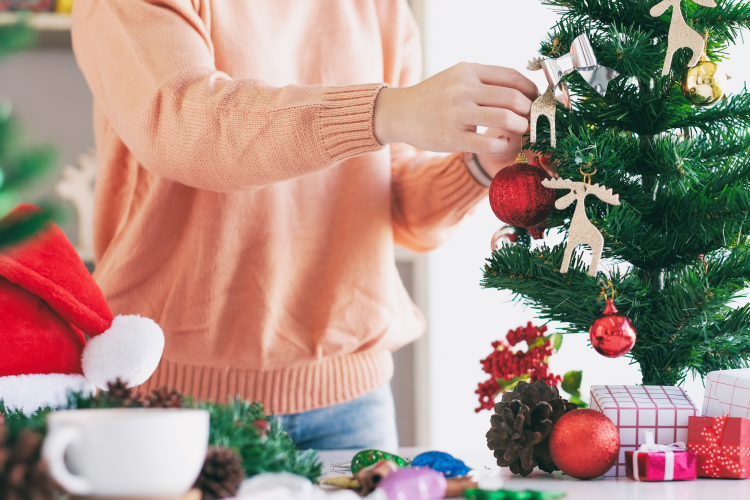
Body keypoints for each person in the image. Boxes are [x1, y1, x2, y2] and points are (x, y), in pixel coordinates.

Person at [71, 0, 544, 451]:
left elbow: (396, 206)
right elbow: (185, 126)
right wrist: (386, 111)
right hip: (170, 394)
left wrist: (481, 167)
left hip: (351, 396)